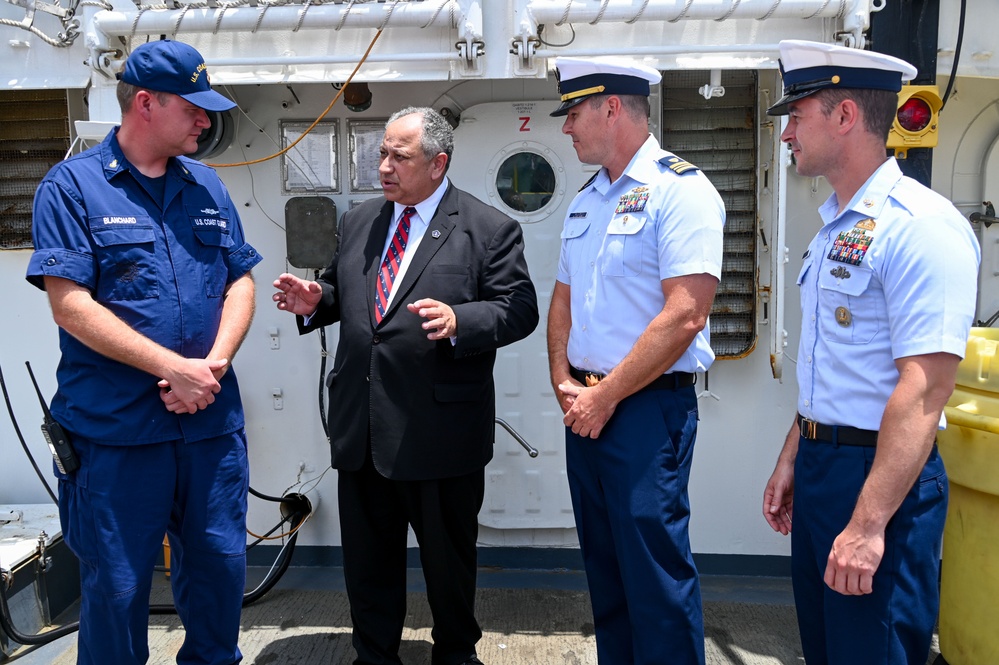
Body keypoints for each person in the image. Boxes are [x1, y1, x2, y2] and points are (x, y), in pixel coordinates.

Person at [273, 106, 538, 665]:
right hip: (363, 428)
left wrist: (463, 321)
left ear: (438, 164)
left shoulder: (488, 228)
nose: (384, 166)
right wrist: (319, 301)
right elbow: (363, 301)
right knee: (368, 566)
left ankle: (456, 656)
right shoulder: (362, 220)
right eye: (382, 153)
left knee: (448, 567)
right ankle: (374, 656)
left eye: (399, 156)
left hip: (438, 433)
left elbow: (518, 310)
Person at [25, 39, 260, 665]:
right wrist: (171, 369)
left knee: (218, 576)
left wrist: (210, 367)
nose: (207, 120)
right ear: (146, 103)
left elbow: (241, 279)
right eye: (195, 107)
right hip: (116, 436)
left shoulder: (208, 186)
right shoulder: (71, 188)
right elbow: (69, 304)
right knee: (117, 588)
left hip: (208, 427)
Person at [762, 39, 980, 665]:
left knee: (873, 651)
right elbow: (836, 363)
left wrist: (865, 525)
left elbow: (926, 388)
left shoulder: (921, 227)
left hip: (882, 480)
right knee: (828, 651)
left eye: (796, 117)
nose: (786, 136)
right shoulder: (837, 224)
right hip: (825, 469)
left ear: (846, 116)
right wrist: (794, 452)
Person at [545, 57, 725, 665]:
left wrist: (605, 394)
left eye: (573, 113)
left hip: (646, 411)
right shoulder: (586, 200)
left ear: (611, 108)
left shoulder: (682, 190)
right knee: (607, 571)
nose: (566, 128)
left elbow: (685, 315)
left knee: (655, 578)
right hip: (587, 410)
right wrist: (564, 381)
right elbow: (563, 300)